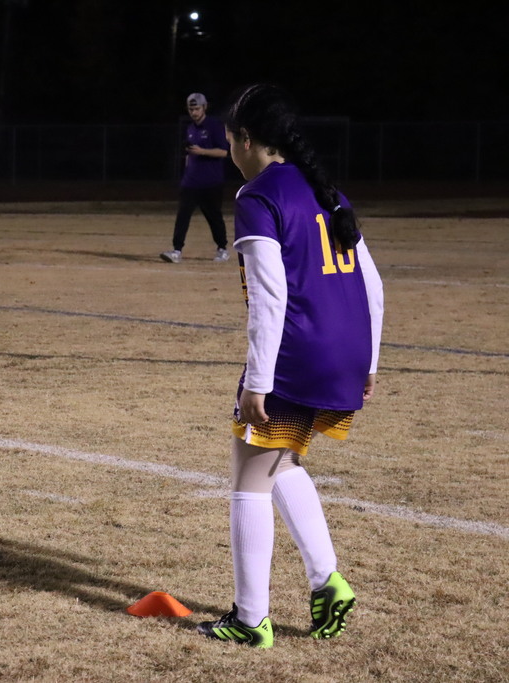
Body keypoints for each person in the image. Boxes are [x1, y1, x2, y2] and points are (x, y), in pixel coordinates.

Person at [195, 83, 384, 649]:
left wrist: (258, 381)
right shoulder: (329, 192)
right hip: (345, 351)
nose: (229, 150)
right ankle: (328, 582)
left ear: (245, 140)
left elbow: (270, 297)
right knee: (282, 463)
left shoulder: (258, 197)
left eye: (229, 140)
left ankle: (251, 620)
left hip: (299, 354)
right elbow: (372, 282)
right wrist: (369, 361)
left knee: (249, 478)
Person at [160, 93, 231, 264]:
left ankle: (222, 248)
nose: (194, 112)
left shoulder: (214, 126)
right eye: (191, 109)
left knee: (214, 216)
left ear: (204, 108)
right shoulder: (190, 128)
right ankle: (177, 250)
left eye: (197, 108)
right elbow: (189, 153)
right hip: (191, 182)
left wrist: (203, 152)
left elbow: (224, 152)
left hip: (211, 182)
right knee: (182, 215)